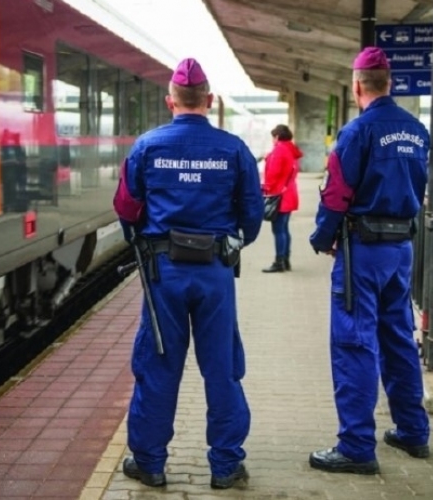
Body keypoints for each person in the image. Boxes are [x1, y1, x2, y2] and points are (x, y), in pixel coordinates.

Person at [112, 57, 263, 489]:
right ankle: (226, 465)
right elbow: (252, 214)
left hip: (164, 274)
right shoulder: (233, 149)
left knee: (158, 366)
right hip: (215, 271)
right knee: (222, 367)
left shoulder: (147, 146)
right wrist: (234, 242)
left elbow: (126, 207)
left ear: (170, 101)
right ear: (209, 101)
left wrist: (140, 238)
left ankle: (150, 464)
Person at [308, 46, 430, 475]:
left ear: (357, 85)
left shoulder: (357, 132)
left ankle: (357, 446)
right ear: (390, 83)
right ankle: (413, 431)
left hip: (362, 251)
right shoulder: (417, 130)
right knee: (398, 336)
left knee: (354, 342)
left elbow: (337, 193)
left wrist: (322, 237)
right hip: (401, 251)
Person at [261, 124, 302, 273]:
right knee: (284, 229)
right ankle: (285, 260)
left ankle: (279, 262)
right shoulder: (291, 149)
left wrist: (264, 189)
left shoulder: (279, 150)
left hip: (279, 196)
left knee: (278, 230)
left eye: (273, 137)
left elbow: (273, 174)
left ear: (277, 136)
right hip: (289, 194)